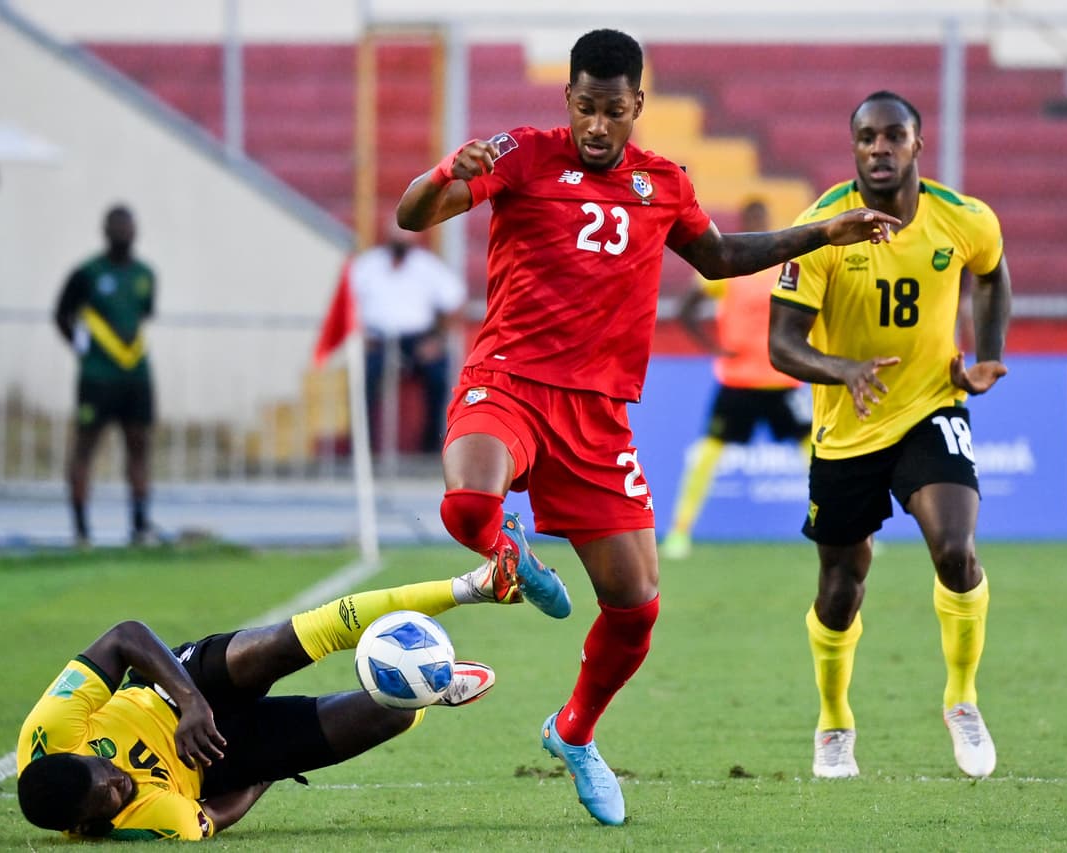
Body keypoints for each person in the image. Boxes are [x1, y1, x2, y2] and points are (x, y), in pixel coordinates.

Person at [395, 28, 899, 825]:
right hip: (510, 381)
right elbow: (412, 214)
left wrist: (820, 232)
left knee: (637, 609)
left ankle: (574, 731)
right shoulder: (522, 154)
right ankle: (508, 554)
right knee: (467, 503)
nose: (597, 125)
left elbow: (723, 256)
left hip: (597, 416)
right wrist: (440, 176)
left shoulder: (663, 183)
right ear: (569, 100)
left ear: (637, 105)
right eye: (585, 108)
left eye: (613, 110)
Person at [767, 90, 1012, 780]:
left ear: (916, 146)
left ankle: (962, 700)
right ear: (854, 149)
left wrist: (986, 350)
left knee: (957, 551)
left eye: (893, 136)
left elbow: (992, 272)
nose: (880, 148)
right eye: (867, 138)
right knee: (841, 587)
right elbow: (782, 345)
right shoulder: (821, 229)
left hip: (931, 407)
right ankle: (834, 720)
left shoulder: (962, 219)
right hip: (847, 428)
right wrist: (839, 367)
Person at [14, 556, 545, 840]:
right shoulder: (137, 828)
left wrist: (191, 702)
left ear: (73, 751)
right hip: (223, 761)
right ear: (85, 826)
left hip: (169, 690)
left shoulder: (47, 730)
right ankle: (424, 686)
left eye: (100, 766)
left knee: (281, 643)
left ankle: (473, 585)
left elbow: (124, 636)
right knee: (388, 719)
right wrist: (260, 774)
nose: (117, 779)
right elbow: (213, 816)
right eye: (110, 793)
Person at [660, 199, 812, 560]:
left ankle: (846, 524)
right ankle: (680, 533)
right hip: (738, 380)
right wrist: (713, 345)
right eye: (752, 220)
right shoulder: (730, 265)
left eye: (762, 219)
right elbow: (686, 307)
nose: (758, 224)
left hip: (783, 378)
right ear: (744, 223)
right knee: (707, 456)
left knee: (818, 455)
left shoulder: (786, 268)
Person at [54, 204, 156, 547]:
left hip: (135, 377)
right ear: (106, 231)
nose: (125, 233)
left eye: (129, 227)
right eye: (118, 227)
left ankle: (140, 526)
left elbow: (143, 315)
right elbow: (61, 315)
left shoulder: (146, 275)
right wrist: (82, 348)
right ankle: (81, 530)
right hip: (97, 378)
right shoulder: (86, 274)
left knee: (139, 447)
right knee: (85, 448)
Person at [349, 224, 467, 454]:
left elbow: (455, 302)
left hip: (417, 341)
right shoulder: (368, 265)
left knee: (438, 376)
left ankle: (431, 444)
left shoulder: (427, 266)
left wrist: (437, 340)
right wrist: (360, 334)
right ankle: (364, 448)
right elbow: (348, 305)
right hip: (378, 340)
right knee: (363, 380)